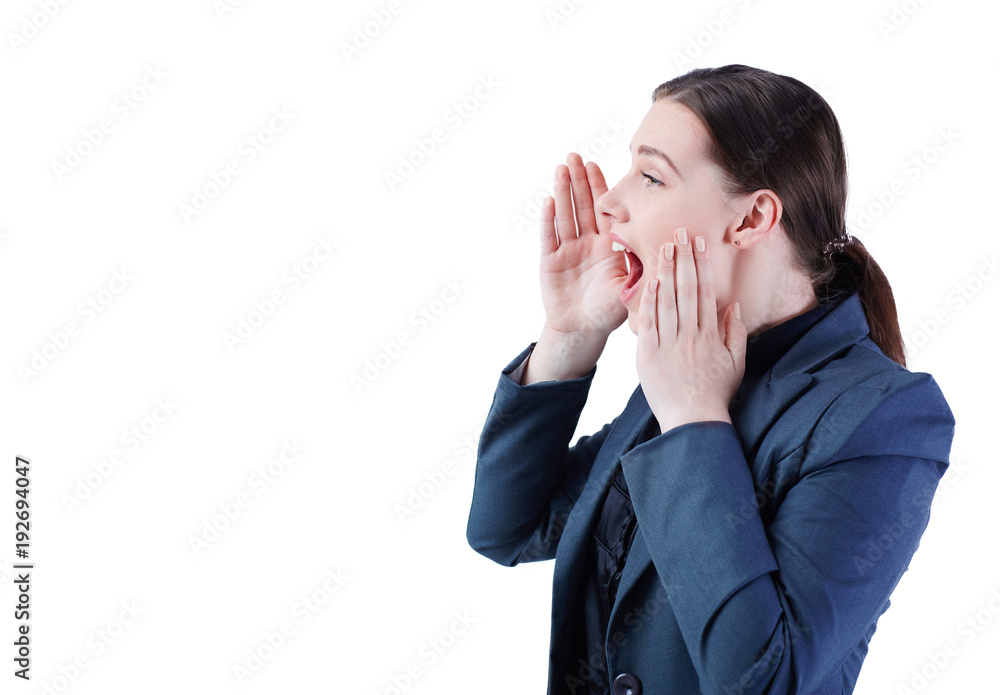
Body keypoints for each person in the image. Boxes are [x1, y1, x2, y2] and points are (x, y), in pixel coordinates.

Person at [465, 65, 955, 694]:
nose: (610, 202)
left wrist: (693, 418)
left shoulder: (886, 418)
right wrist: (569, 336)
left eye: (650, 176)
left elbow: (764, 679)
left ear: (751, 219)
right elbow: (506, 529)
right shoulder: (686, 358)